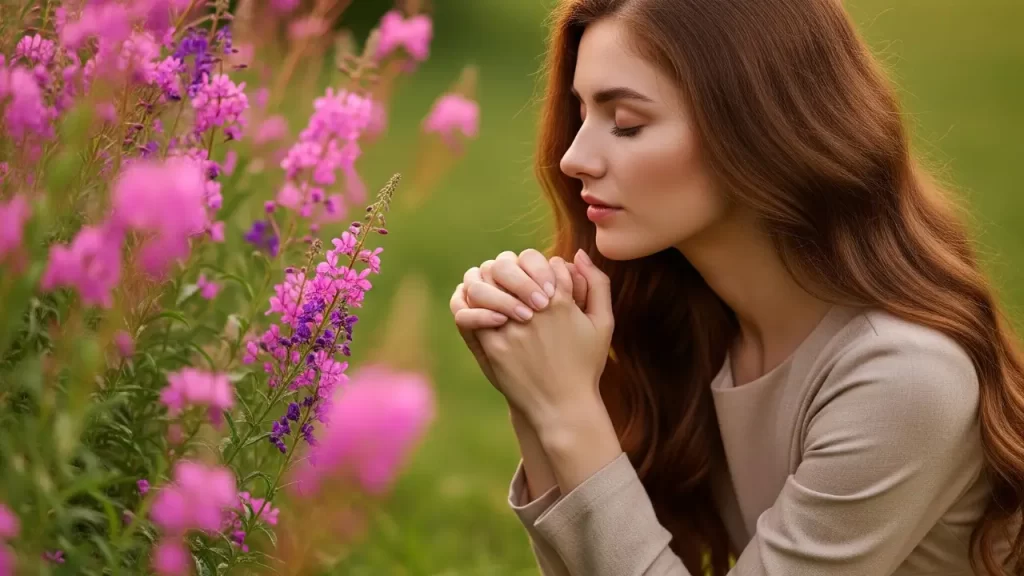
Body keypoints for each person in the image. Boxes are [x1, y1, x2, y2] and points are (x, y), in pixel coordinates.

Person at [448, 0, 1024, 574]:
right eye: (581, 114)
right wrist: (535, 393)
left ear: (762, 128)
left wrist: (565, 406)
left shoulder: (901, 377)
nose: (574, 158)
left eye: (627, 123)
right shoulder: (702, 322)